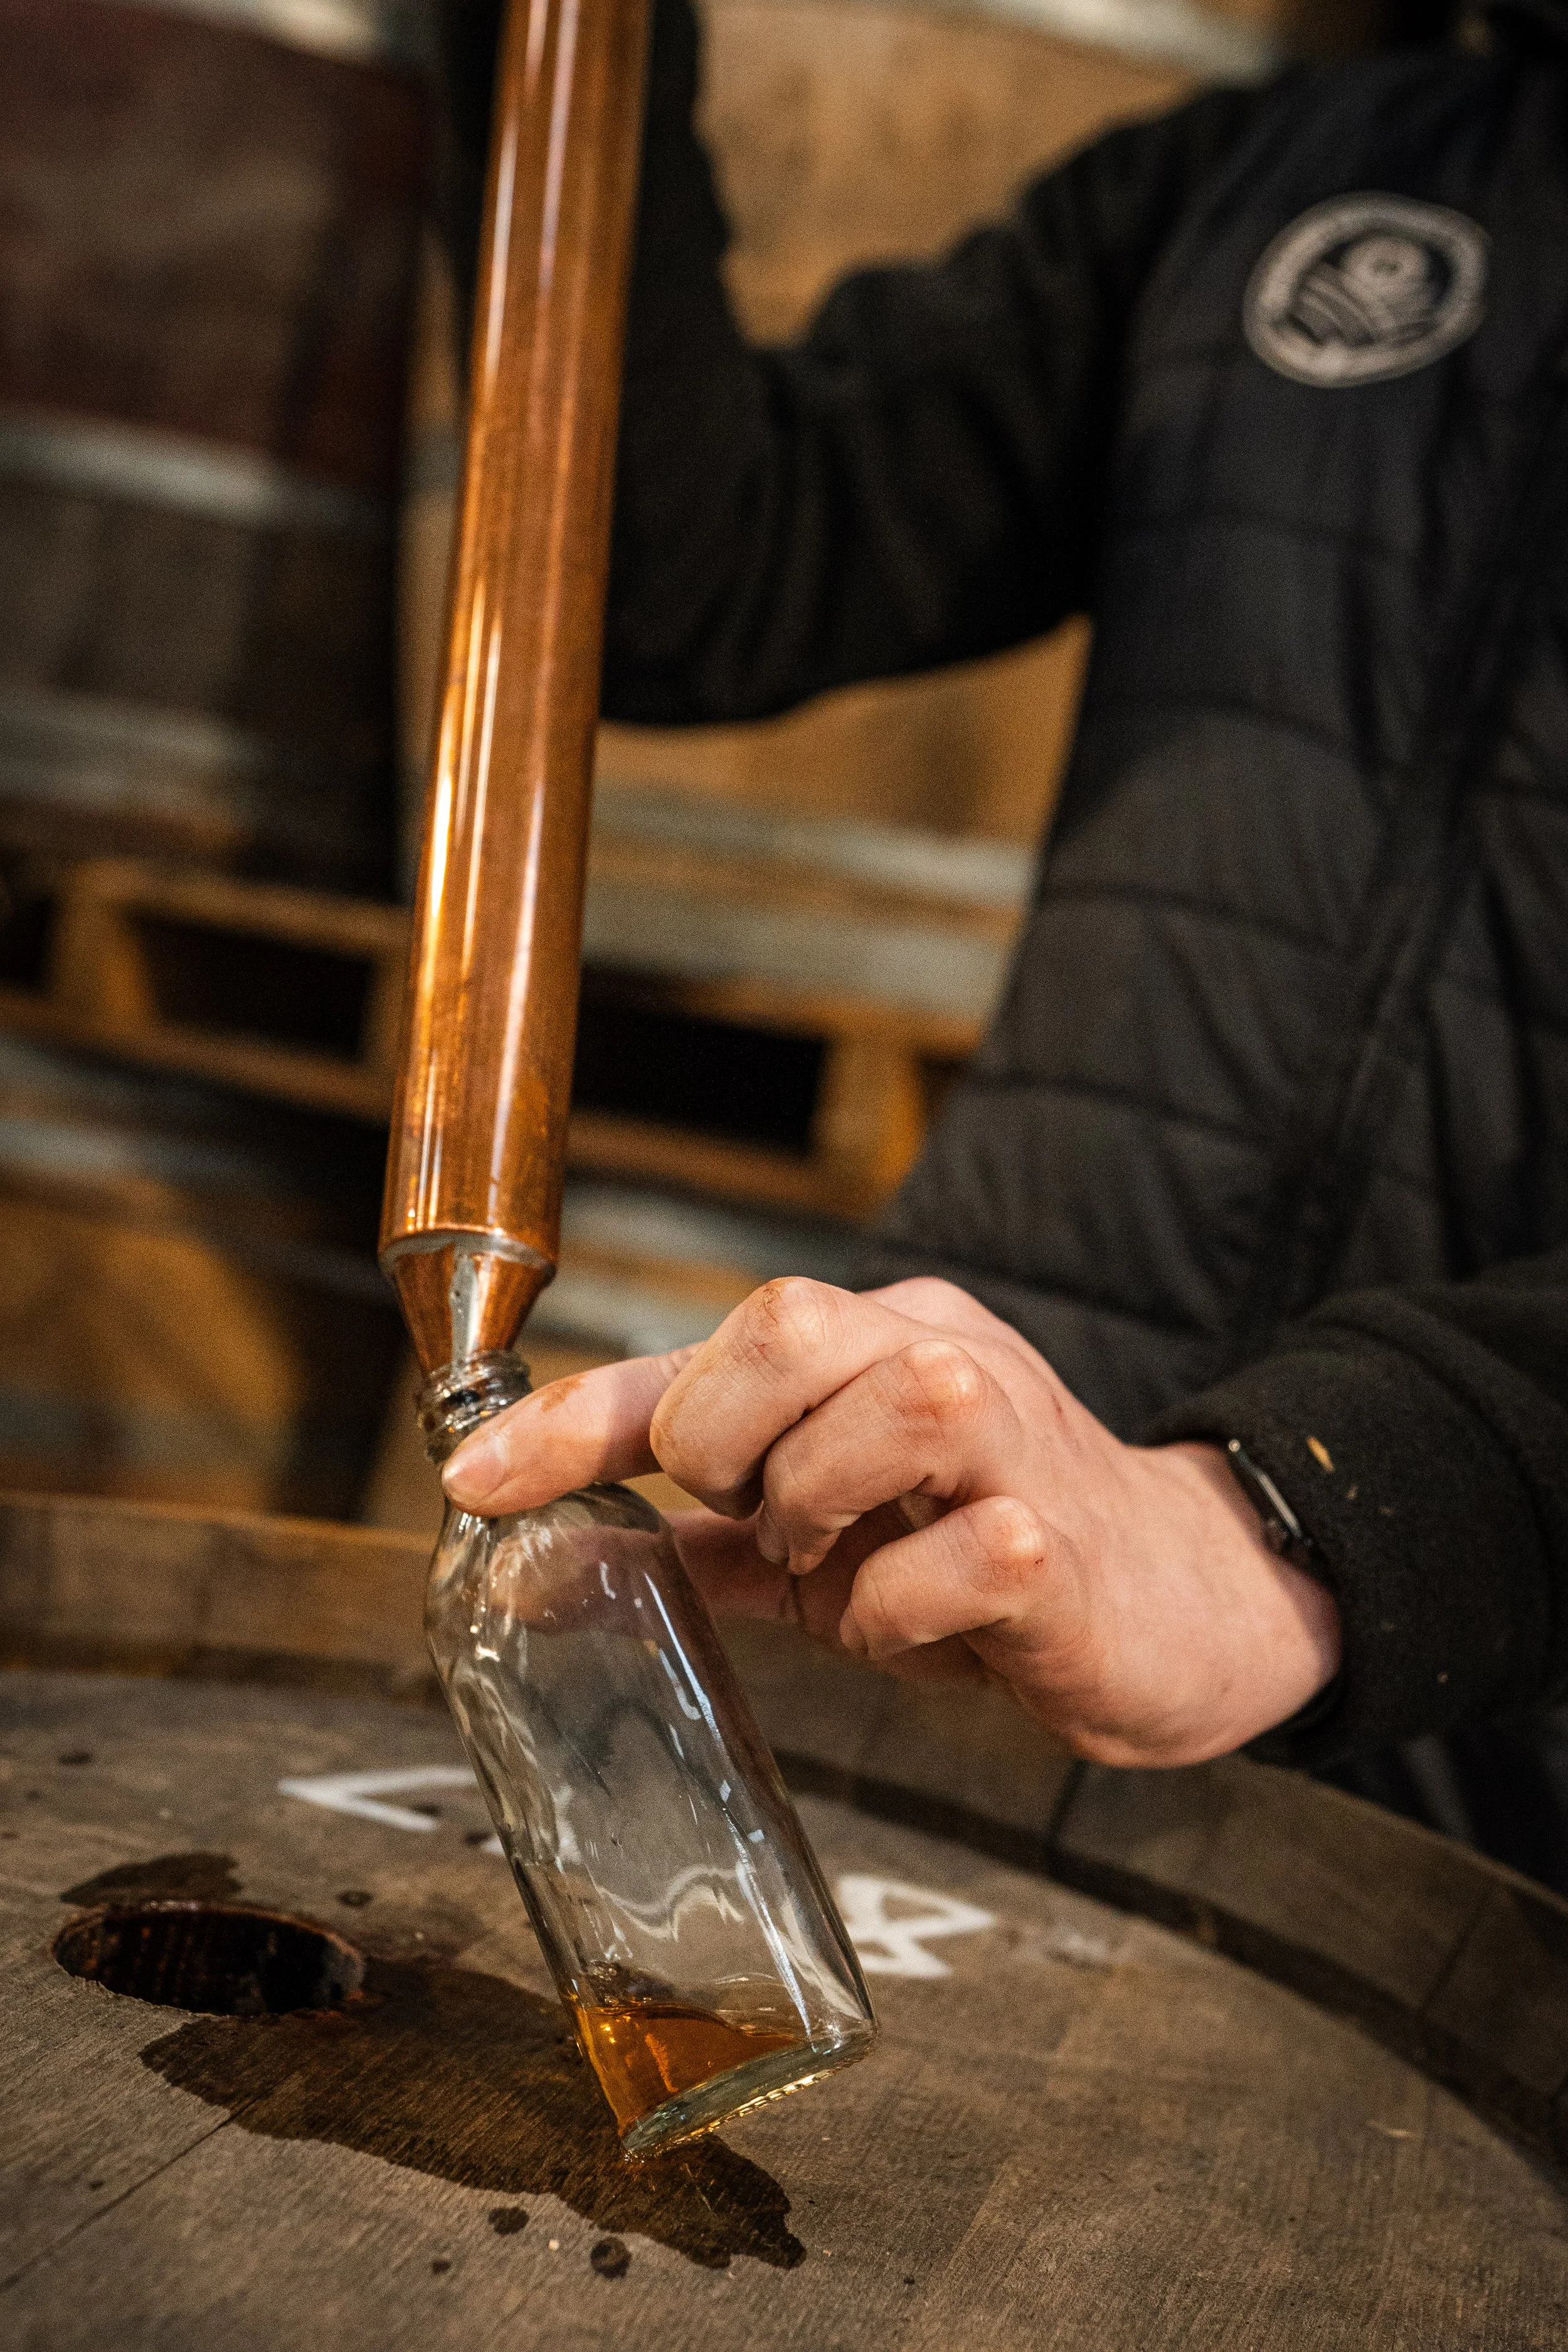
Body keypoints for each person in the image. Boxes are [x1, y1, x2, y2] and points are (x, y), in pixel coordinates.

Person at [433, 0, 1568, 1880]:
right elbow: (684, 576)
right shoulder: (1297, 179)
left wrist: (1291, 1518)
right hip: (963, 1577)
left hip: (1494, 1727)